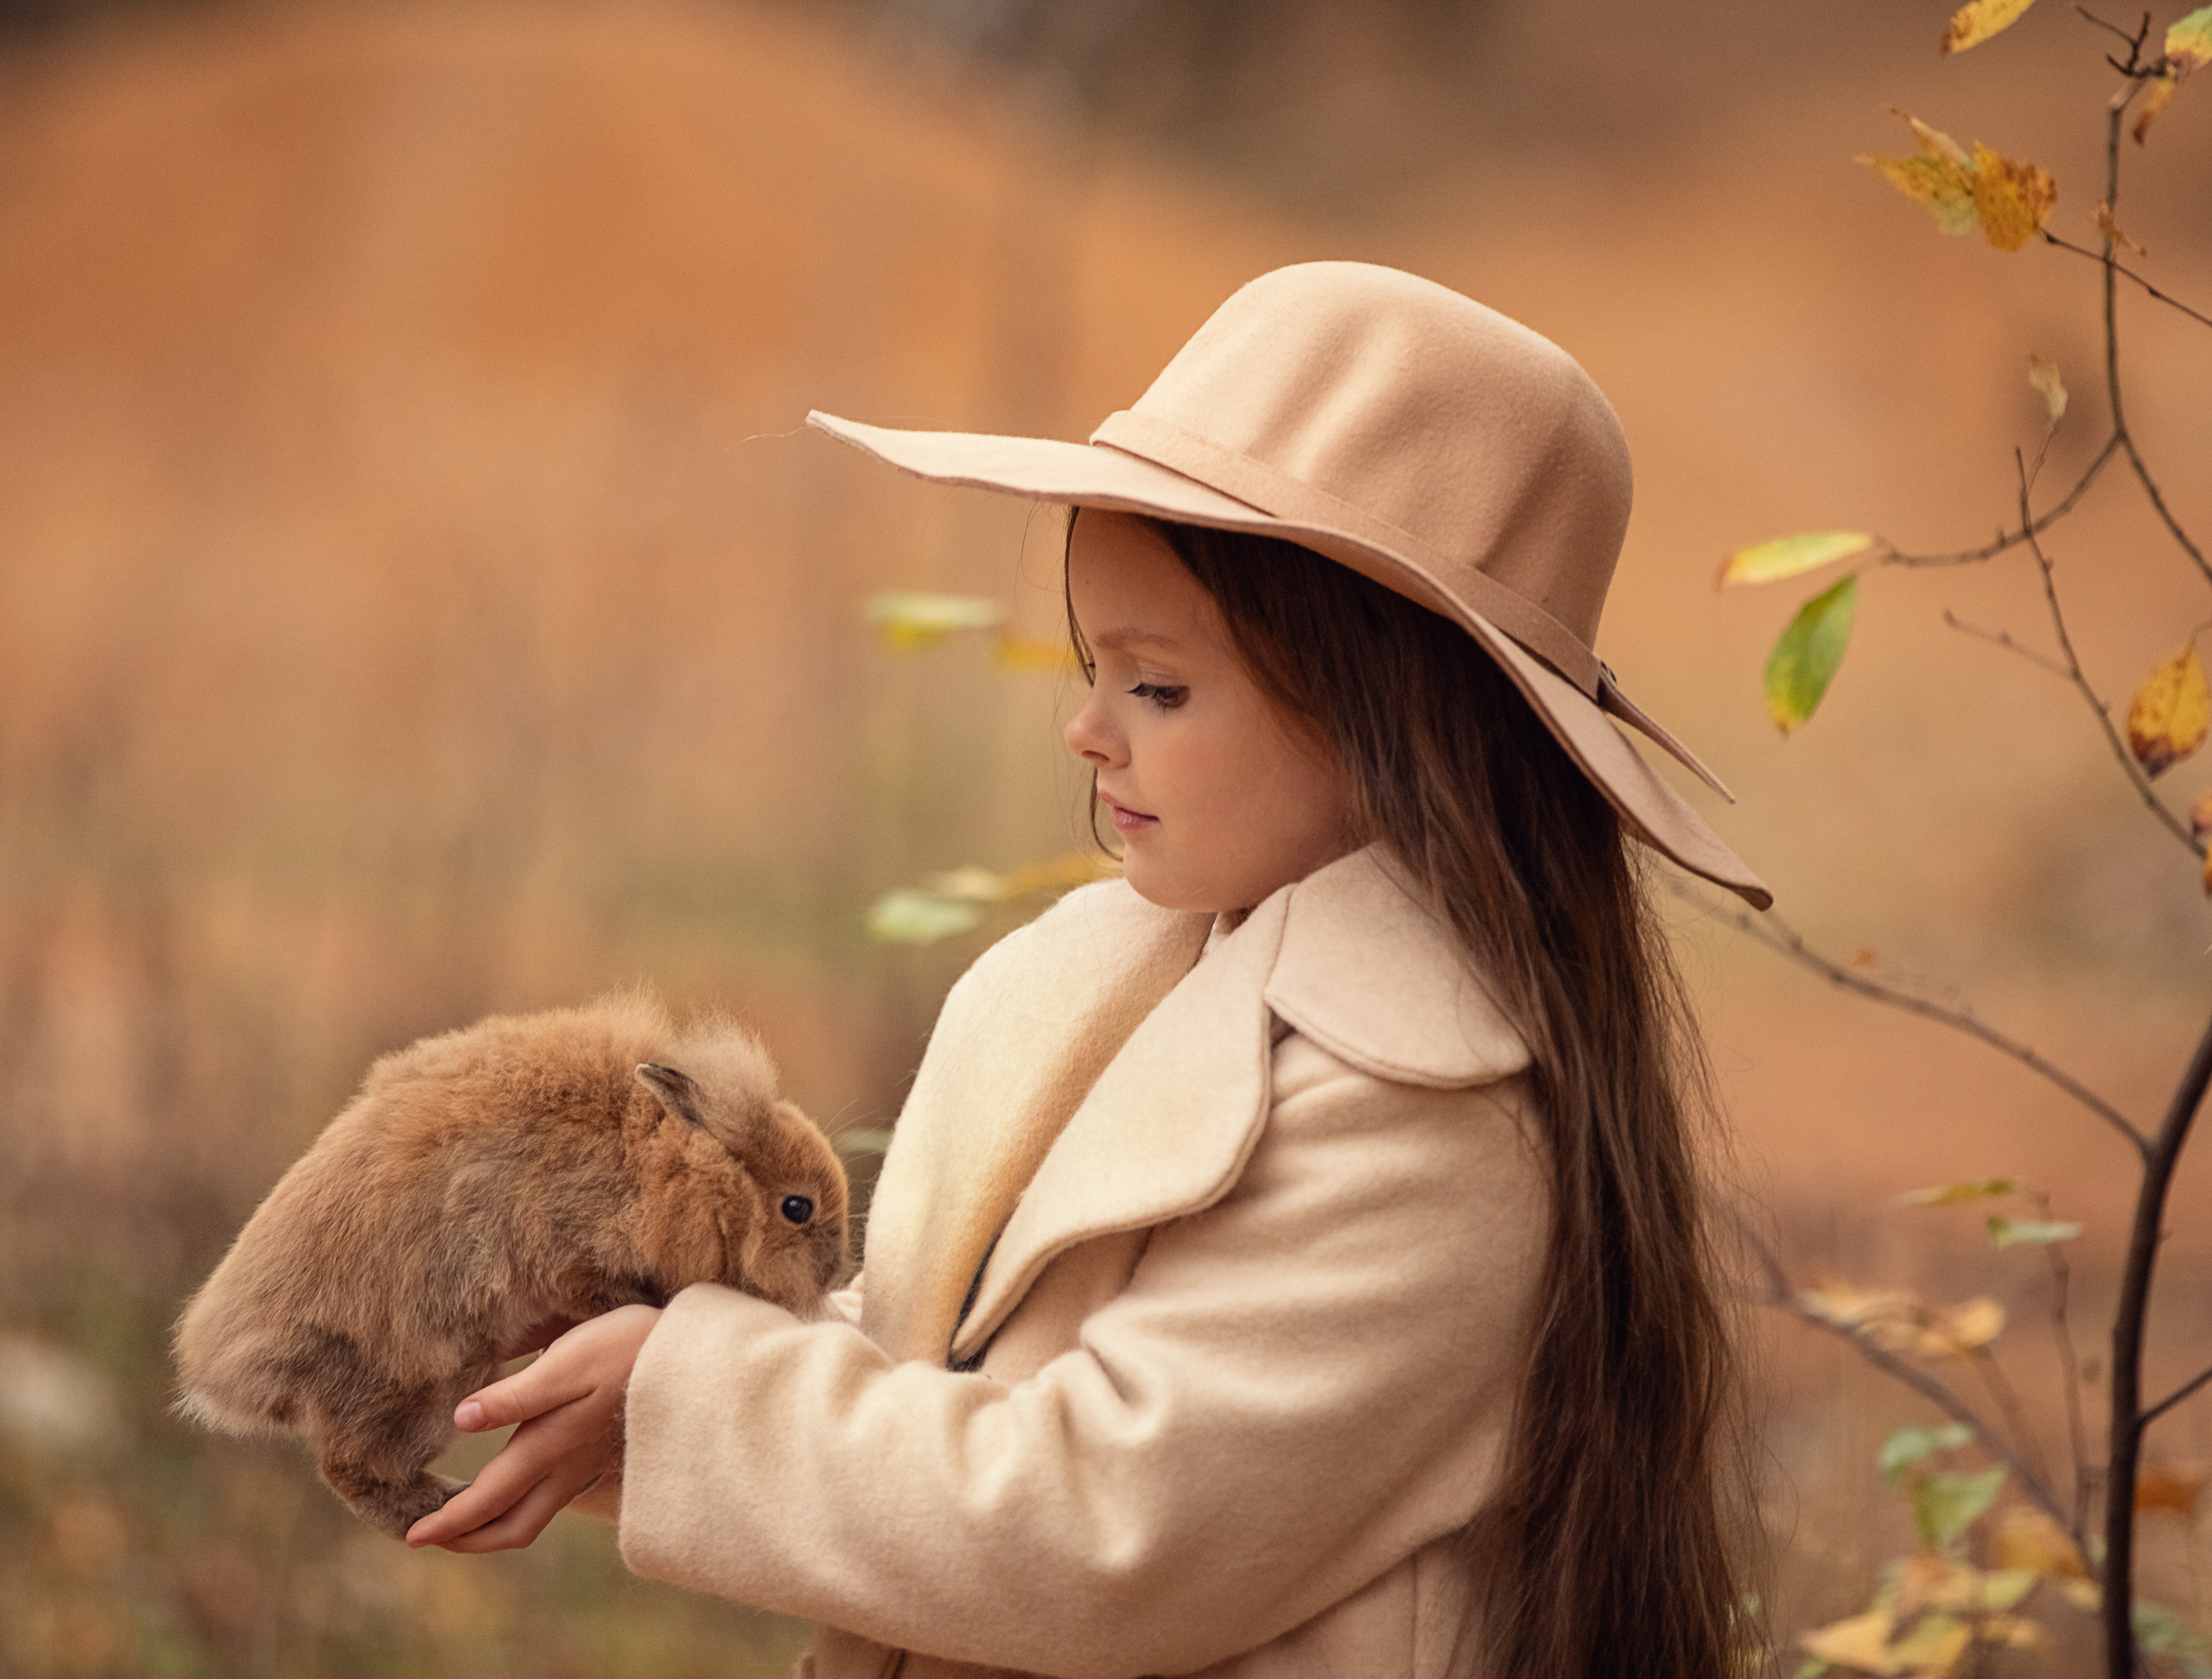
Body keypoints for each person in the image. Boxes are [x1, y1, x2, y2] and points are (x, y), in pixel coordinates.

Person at [405, 262, 1774, 1679]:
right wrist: (653, 1345)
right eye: (1095, 668)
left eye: (1159, 687)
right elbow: (944, 1365)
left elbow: (1101, 1529)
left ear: (1396, 719)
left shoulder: (1433, 1114)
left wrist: (694, 1397)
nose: (1087, 731)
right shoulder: (1112, 983)